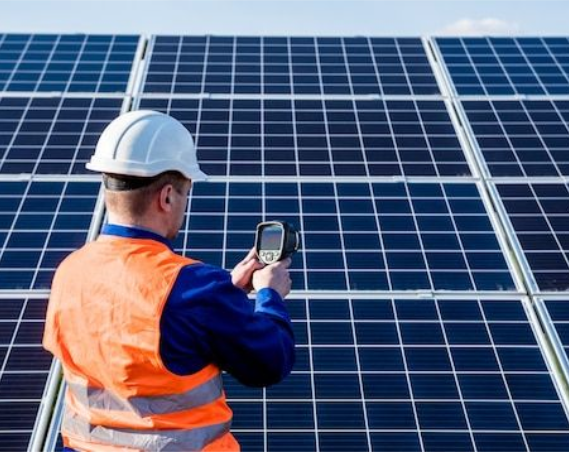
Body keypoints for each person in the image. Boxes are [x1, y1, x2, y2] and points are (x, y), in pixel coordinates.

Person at [43, 110, 295, 451]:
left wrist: (228, 291)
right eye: (185, 193)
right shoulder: (195, 289)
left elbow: (130, 329)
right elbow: (270, 362)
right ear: (166, 197)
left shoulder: (70, 271)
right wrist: (270, 295)